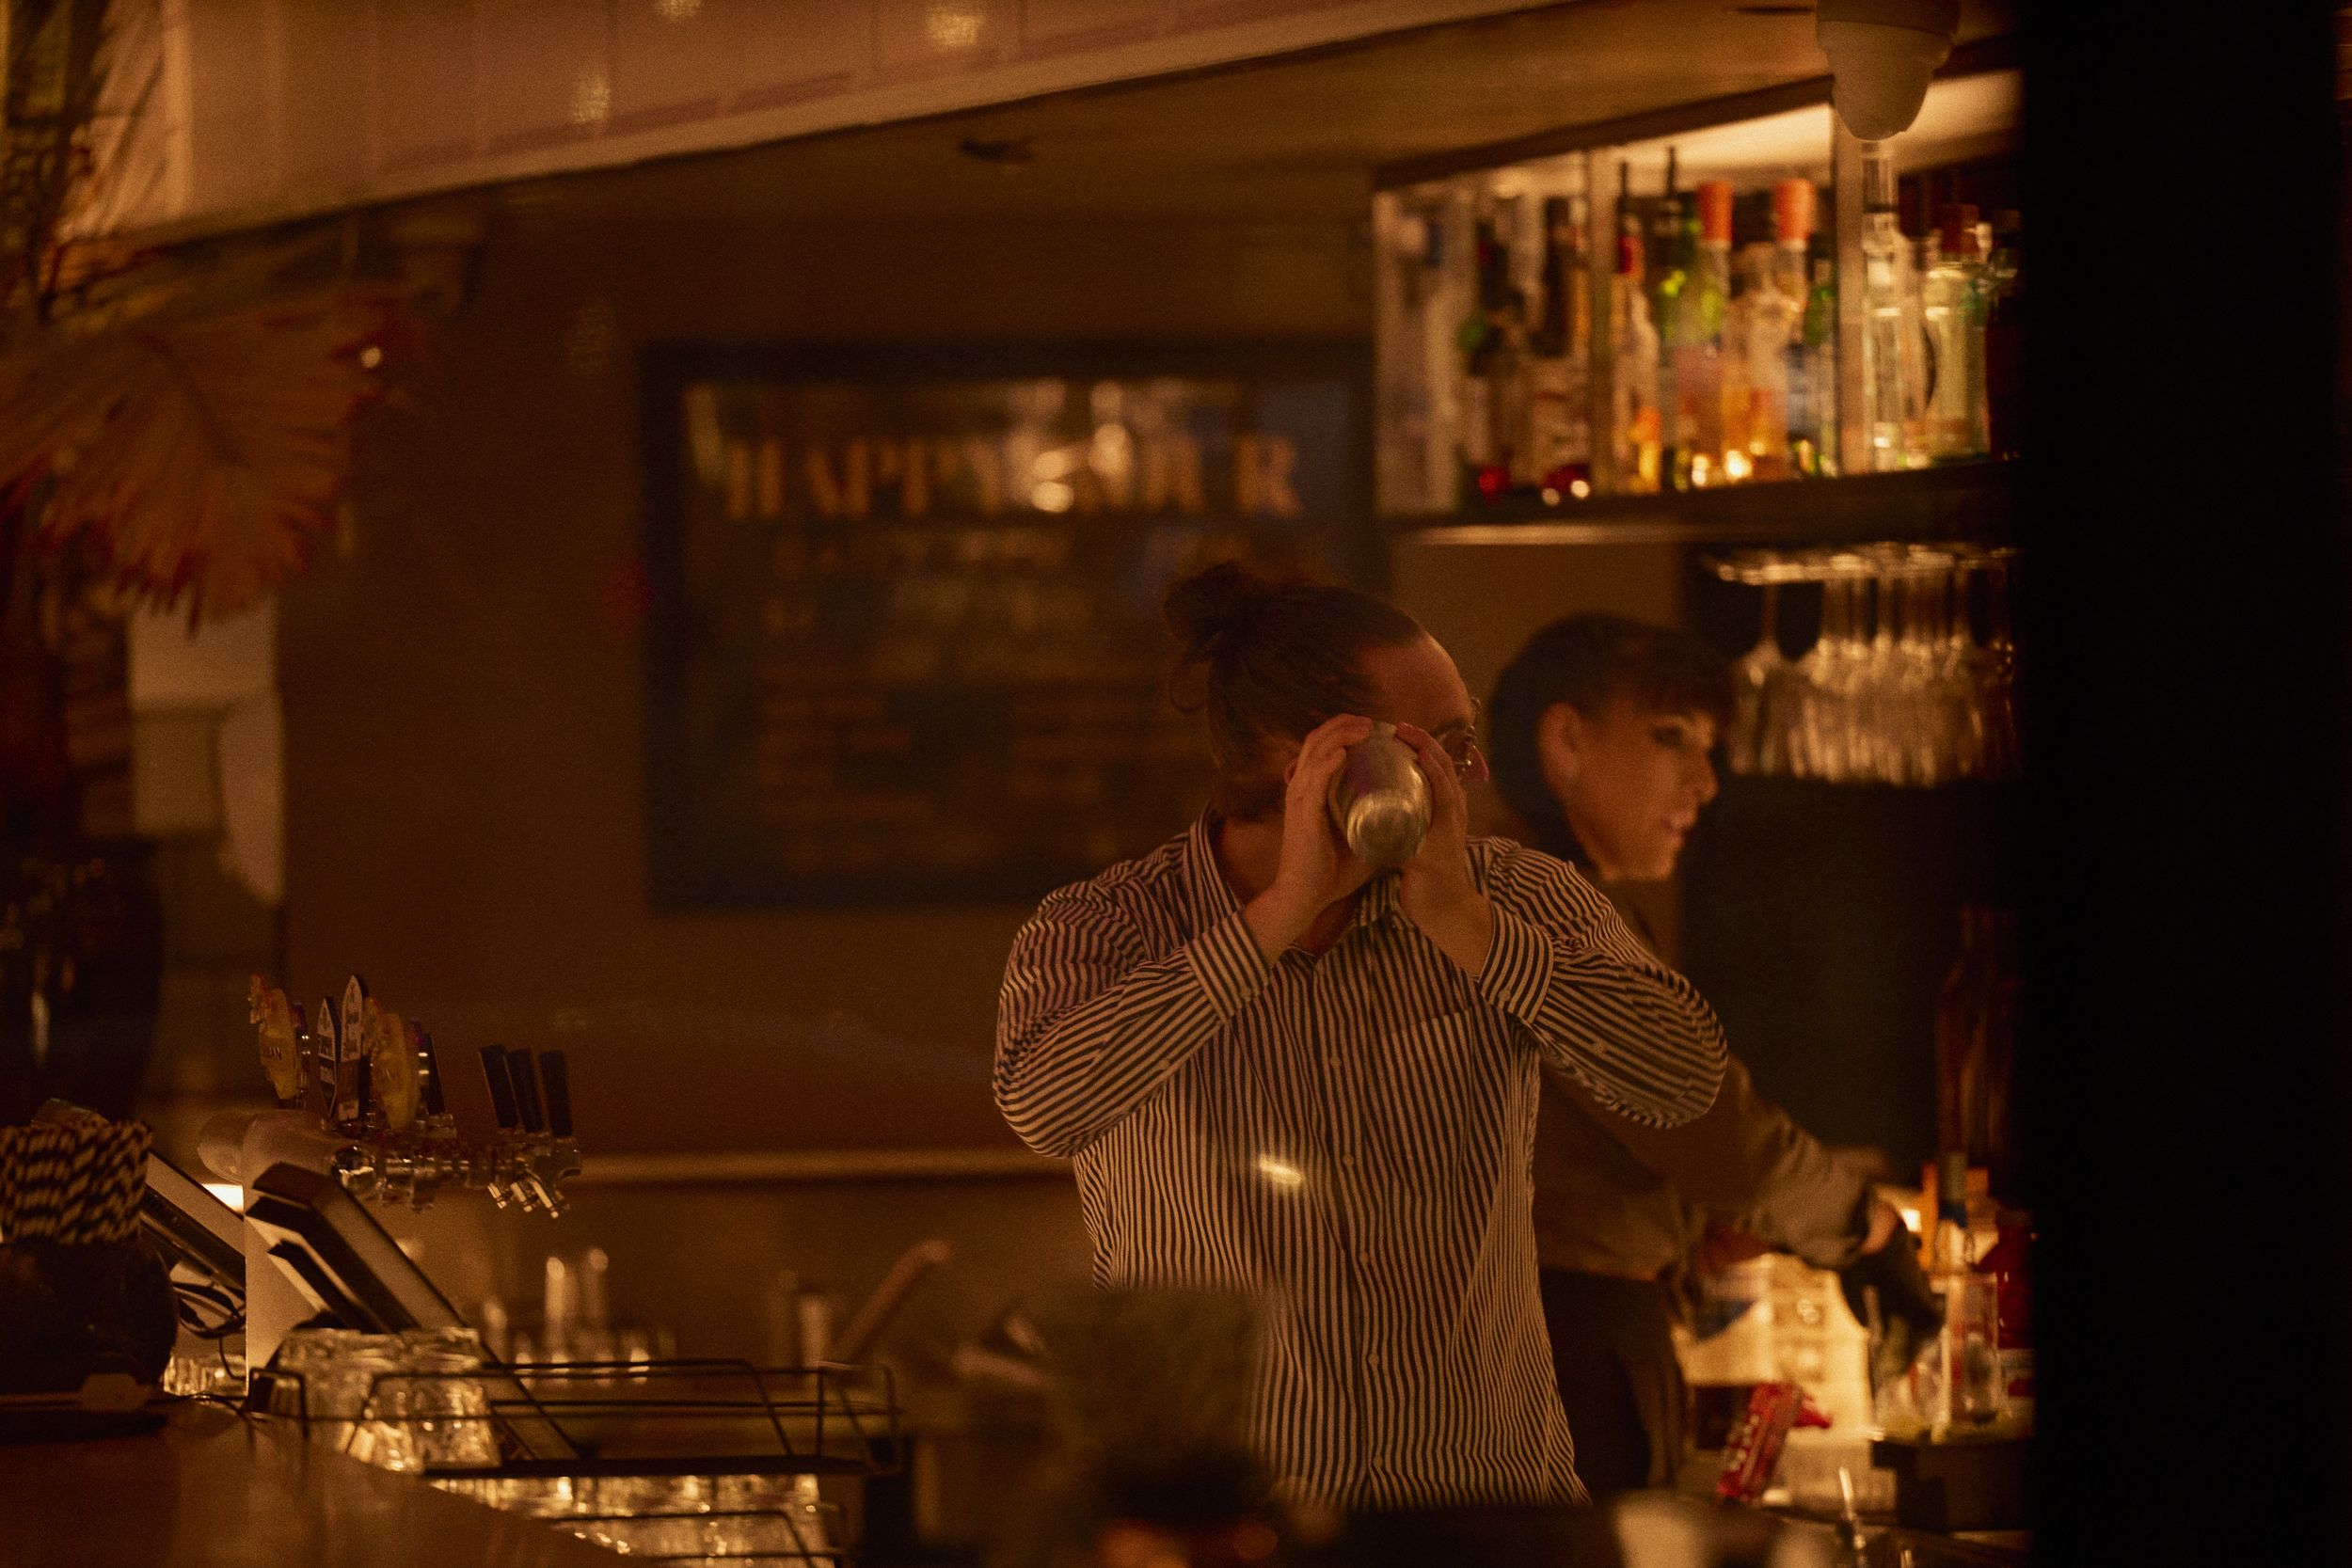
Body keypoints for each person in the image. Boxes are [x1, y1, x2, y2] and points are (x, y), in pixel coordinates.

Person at [993, 563, 1728, 1514]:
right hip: (1229, 1524)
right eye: (1443, 744)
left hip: (1484, 1512)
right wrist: (1279, 911)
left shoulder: (1514, 896)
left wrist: (1466, 922)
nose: (1471, 775)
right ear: (1314, 754)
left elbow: (1683, 1079)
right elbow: (1046, 1107)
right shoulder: (1105, 925)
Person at [1486, 612, 1940, 1501]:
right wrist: (1868, 1228)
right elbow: (1710, 1122)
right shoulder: (1545, 909)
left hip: (1563, 1332)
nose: (1704, 780)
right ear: (1566, 740)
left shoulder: (1516, 897)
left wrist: (1693, 1243)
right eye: (1671, 739)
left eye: (1708, 748)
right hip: (1566, 1348)